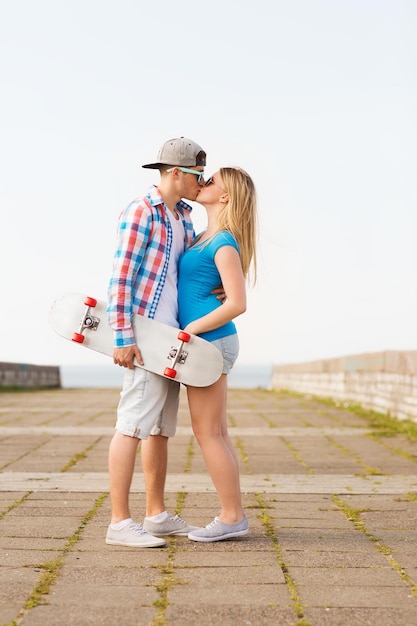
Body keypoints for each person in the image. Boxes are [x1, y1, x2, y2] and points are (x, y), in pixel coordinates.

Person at [105, 137, 208, 548]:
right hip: (144, 337)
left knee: (161, 430)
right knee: (131, 425)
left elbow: (190, 273)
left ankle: (156, 514)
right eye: (197, 176)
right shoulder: (141, 211)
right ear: (176, 173)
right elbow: (121, 278)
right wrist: (123, 337)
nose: (201, 183)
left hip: (171, 340)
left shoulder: (184, 218)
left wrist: (216, 291)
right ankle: (118, 522)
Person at [177, 167, 257, 542]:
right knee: (218, 433)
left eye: (211, 182)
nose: (203, 183)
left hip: (210, 343)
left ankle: (231, 516)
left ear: (225, 197)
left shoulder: (223, 241)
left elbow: (237, 302)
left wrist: (191, 330)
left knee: (207, 432)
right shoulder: (200, 237)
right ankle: (233, 514)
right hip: (210, 342)